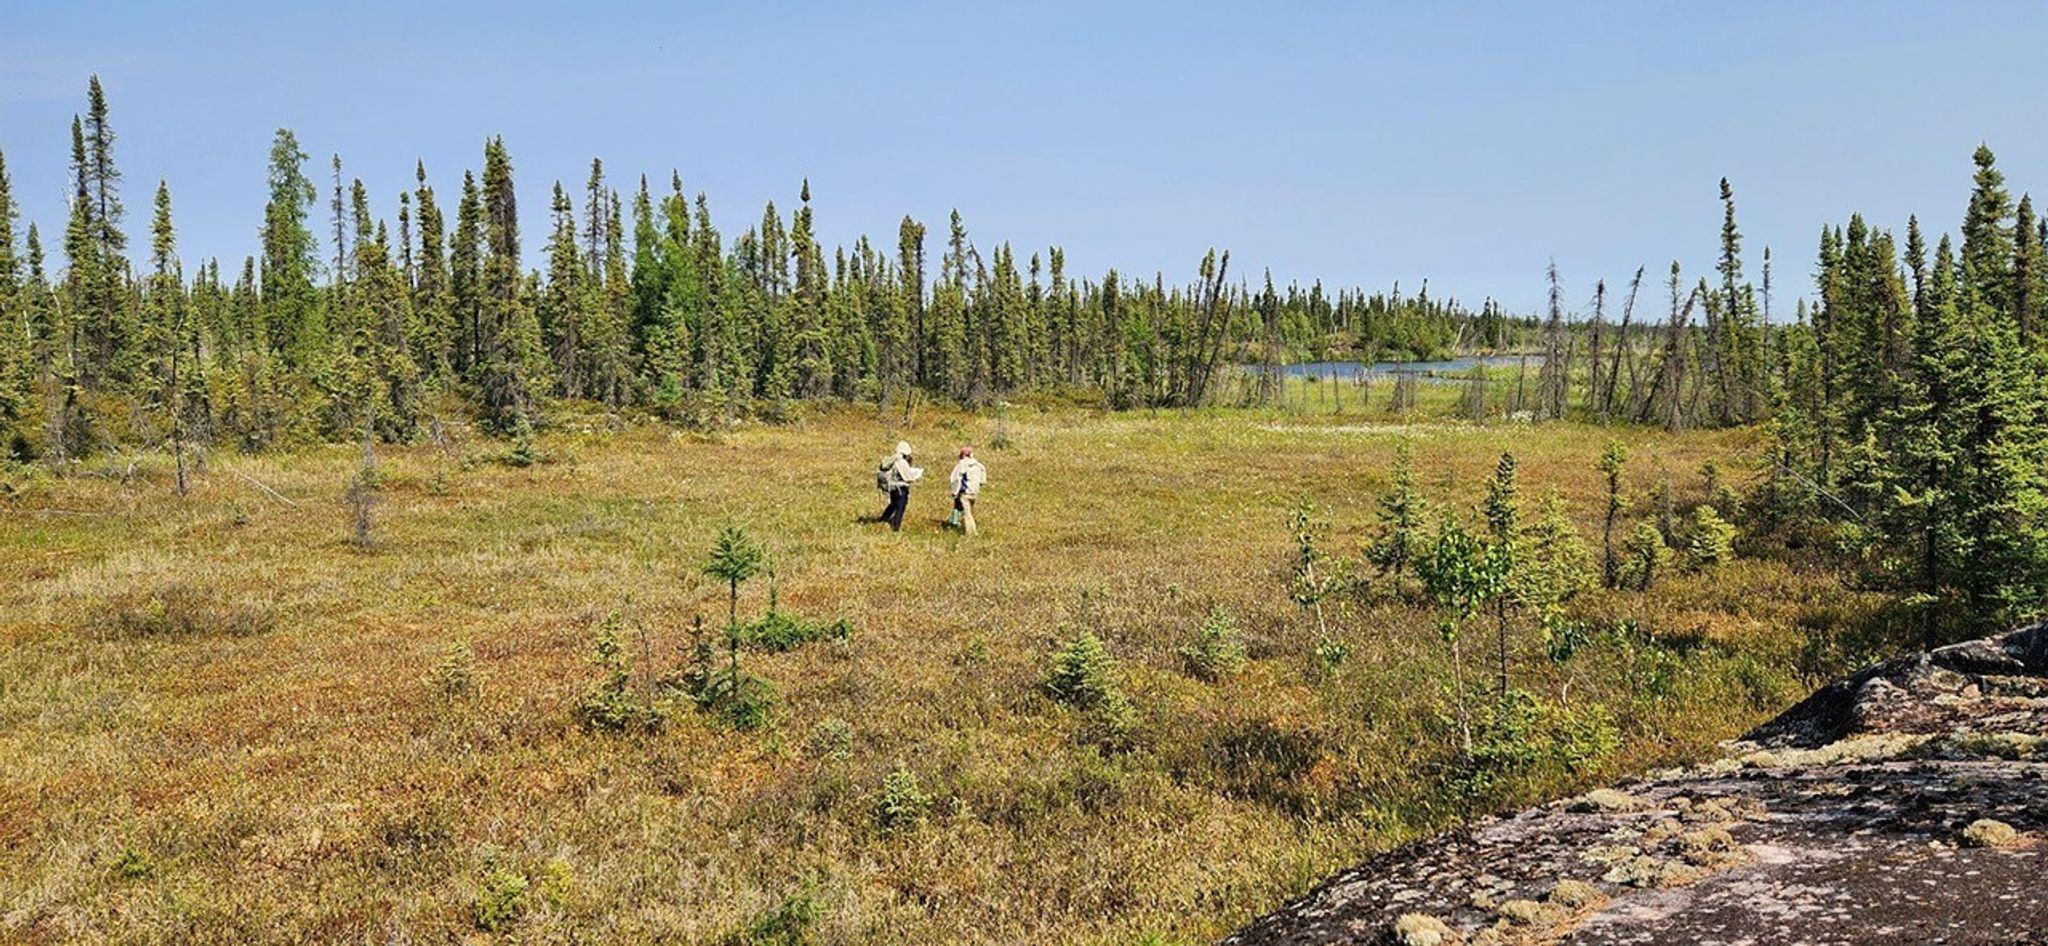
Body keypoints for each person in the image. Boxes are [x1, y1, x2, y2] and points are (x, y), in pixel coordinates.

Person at [875, 441, 922, 532]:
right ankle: (895, 527)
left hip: (892, 487)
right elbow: (907, 477)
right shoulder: (901, 462)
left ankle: (883, 518)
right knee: (900, 507)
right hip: (900, 489)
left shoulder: (892, 459)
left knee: (893, 504)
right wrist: (917, 475)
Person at [947, 446, 988, 535]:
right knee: (970, 512)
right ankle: (970, 529)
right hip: (975, 492)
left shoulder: (962, 465)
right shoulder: (978, 465)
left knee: (967, 514)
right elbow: (983, 480)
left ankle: (970, 533)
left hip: (965, 493)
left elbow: (956, 479)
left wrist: (955, 492)